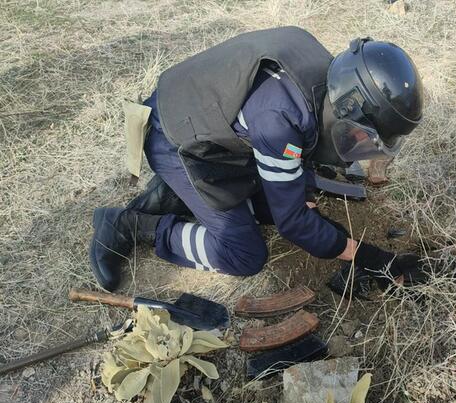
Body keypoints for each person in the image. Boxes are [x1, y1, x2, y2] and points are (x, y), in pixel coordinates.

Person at [89, 26, 426, 293]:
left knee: (282, 198)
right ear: (348, 107)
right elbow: (291, 222)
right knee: (244, 254)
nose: (358, 145)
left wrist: (304, 194)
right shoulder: (279, 119)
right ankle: (129, 225)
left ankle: (177, 194)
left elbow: (303, 145)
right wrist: (368, 256)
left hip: (209, 122)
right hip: (175, 138)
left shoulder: (327, 76)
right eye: (360, 135)